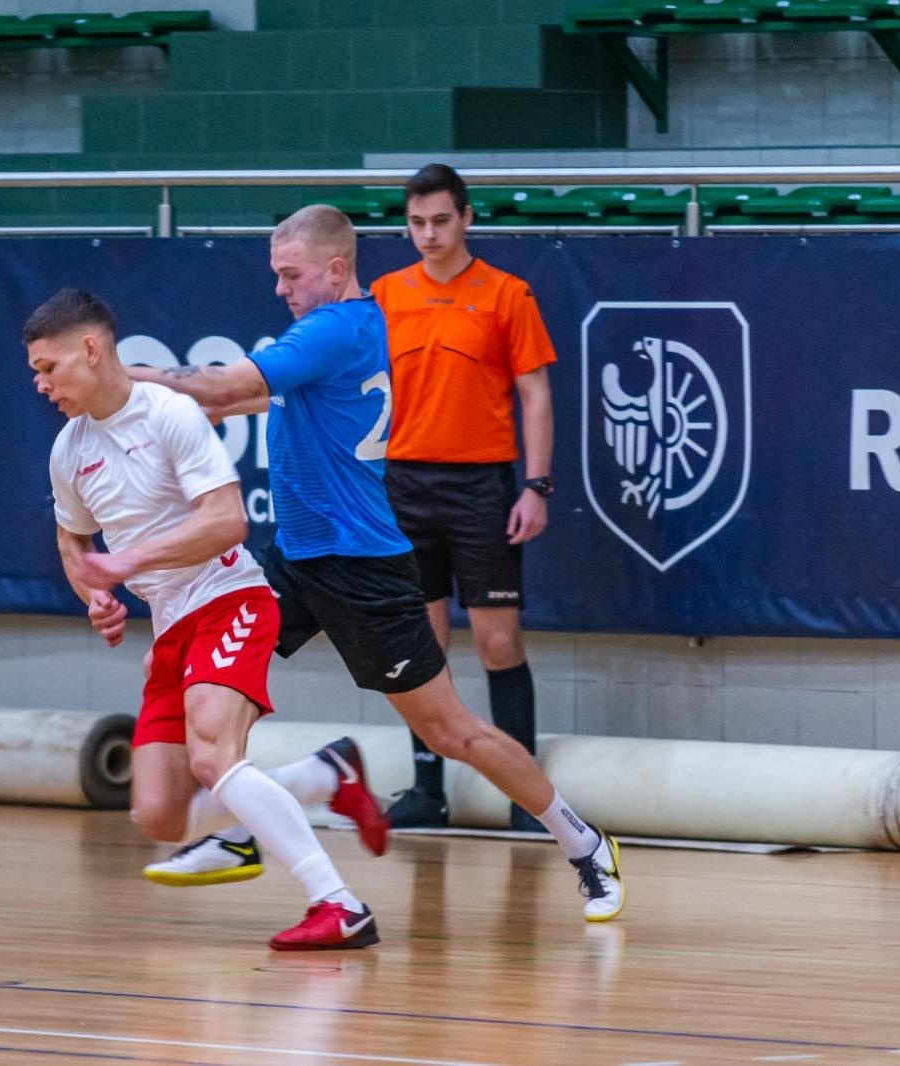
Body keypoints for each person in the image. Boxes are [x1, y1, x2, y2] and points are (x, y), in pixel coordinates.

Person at [129, 205, 625, 922]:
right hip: (294, 562)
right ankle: (244, 831)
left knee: (450, 732)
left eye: (290, 274)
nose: (280, 288)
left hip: (363, 569)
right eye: (274, 275)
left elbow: (222, 390)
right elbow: (238, 400)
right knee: (215, 688)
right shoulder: (336, 331)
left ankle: (583, 842)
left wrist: (116, 373)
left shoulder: (334, 328)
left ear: (335, 268)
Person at [26, 287, 390, 951]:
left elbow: (227, 519)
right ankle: (324, 776)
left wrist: (125, 560)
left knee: (214, 754)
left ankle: (338, 903)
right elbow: (71, 542)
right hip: (169, 627)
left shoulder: (168, 413)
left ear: (91, 348)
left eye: (48, 368)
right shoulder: (68, 451)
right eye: (35, 373)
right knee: (159, 815)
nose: (41, 383)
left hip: (230, 600)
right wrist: (95, 596)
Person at [369, 163, 556, 832]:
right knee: (421, 644)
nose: (428, 234)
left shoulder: (507, 294)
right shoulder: (386, 294)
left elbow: (535, 394)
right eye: (416, 223)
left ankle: (530, 800)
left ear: (467, 218)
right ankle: (427, 791)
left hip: (481, 486)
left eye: (441, 220)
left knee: (498, 642)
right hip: (404, 484)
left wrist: (535, 486)